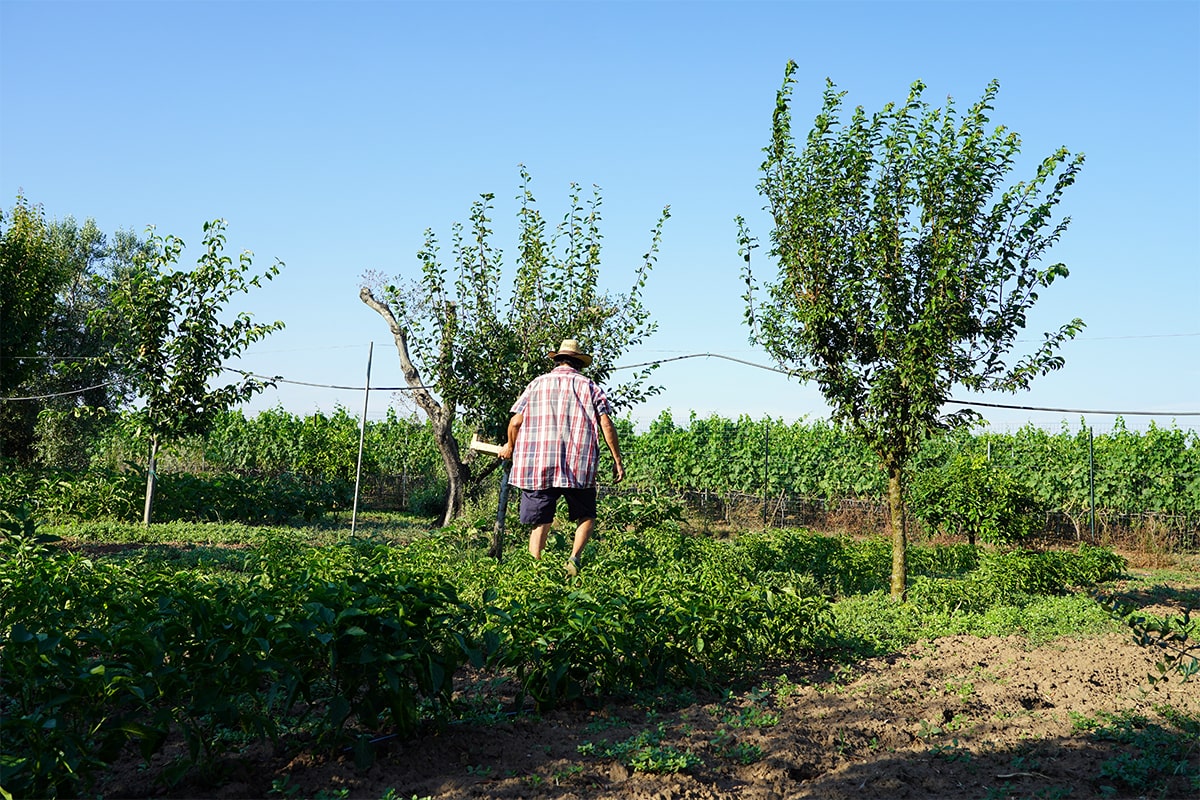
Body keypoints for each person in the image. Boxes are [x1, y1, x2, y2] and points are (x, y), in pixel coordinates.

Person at [498, 338, 624, 575]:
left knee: (540, 518)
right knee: (586, 514)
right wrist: (617, 459)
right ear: (578, 364)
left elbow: (515, 421)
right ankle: (574, 559)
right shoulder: (590, 386)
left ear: (556, 361)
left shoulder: (536, 384)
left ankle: (535, 568)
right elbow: (605, 423)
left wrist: (510, 446)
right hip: (578, 463)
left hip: (539, 463)